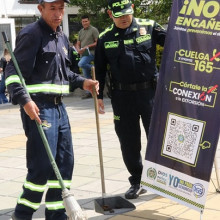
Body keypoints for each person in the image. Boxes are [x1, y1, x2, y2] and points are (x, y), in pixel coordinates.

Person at [5, 0, 99, 219]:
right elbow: (12, 72)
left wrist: (83, 82)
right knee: (42, 166)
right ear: (41, 9)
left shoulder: (62, 37)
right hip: (38, 107)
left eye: (60, 8)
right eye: (52, 8)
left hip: (59, 109)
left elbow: (64, 73)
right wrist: (24, 100)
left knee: (65, 163)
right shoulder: (31, 34)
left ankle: (57, 214)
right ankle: (22, 214)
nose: (58, 14)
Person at [95, 0, 166, 199]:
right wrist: (99, 97)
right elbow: (99, 69)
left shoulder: (150, 27)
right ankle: (137, 180)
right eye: (119, 15)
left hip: (151, 95)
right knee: (128, 141)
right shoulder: (104, 37)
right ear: (110, 14)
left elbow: (176, 43)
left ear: (132, 9)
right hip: (122, 98)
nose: (124, 18)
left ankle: (163, 179)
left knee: (158, 138)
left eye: (127, 13)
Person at [76, 15, 99, 99]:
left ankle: (94, 68)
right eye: (83, 22)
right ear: (81, 22)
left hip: (92, 53)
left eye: (86, 21)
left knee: (81, 64)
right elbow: (78, 43)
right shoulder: (81, 31)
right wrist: (78, 49)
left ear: (89, 21)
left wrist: (87, 47)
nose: (85, 23)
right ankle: (89, 93)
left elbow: (97, 42)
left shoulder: (94, 30)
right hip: (84, 54)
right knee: (86, 75)